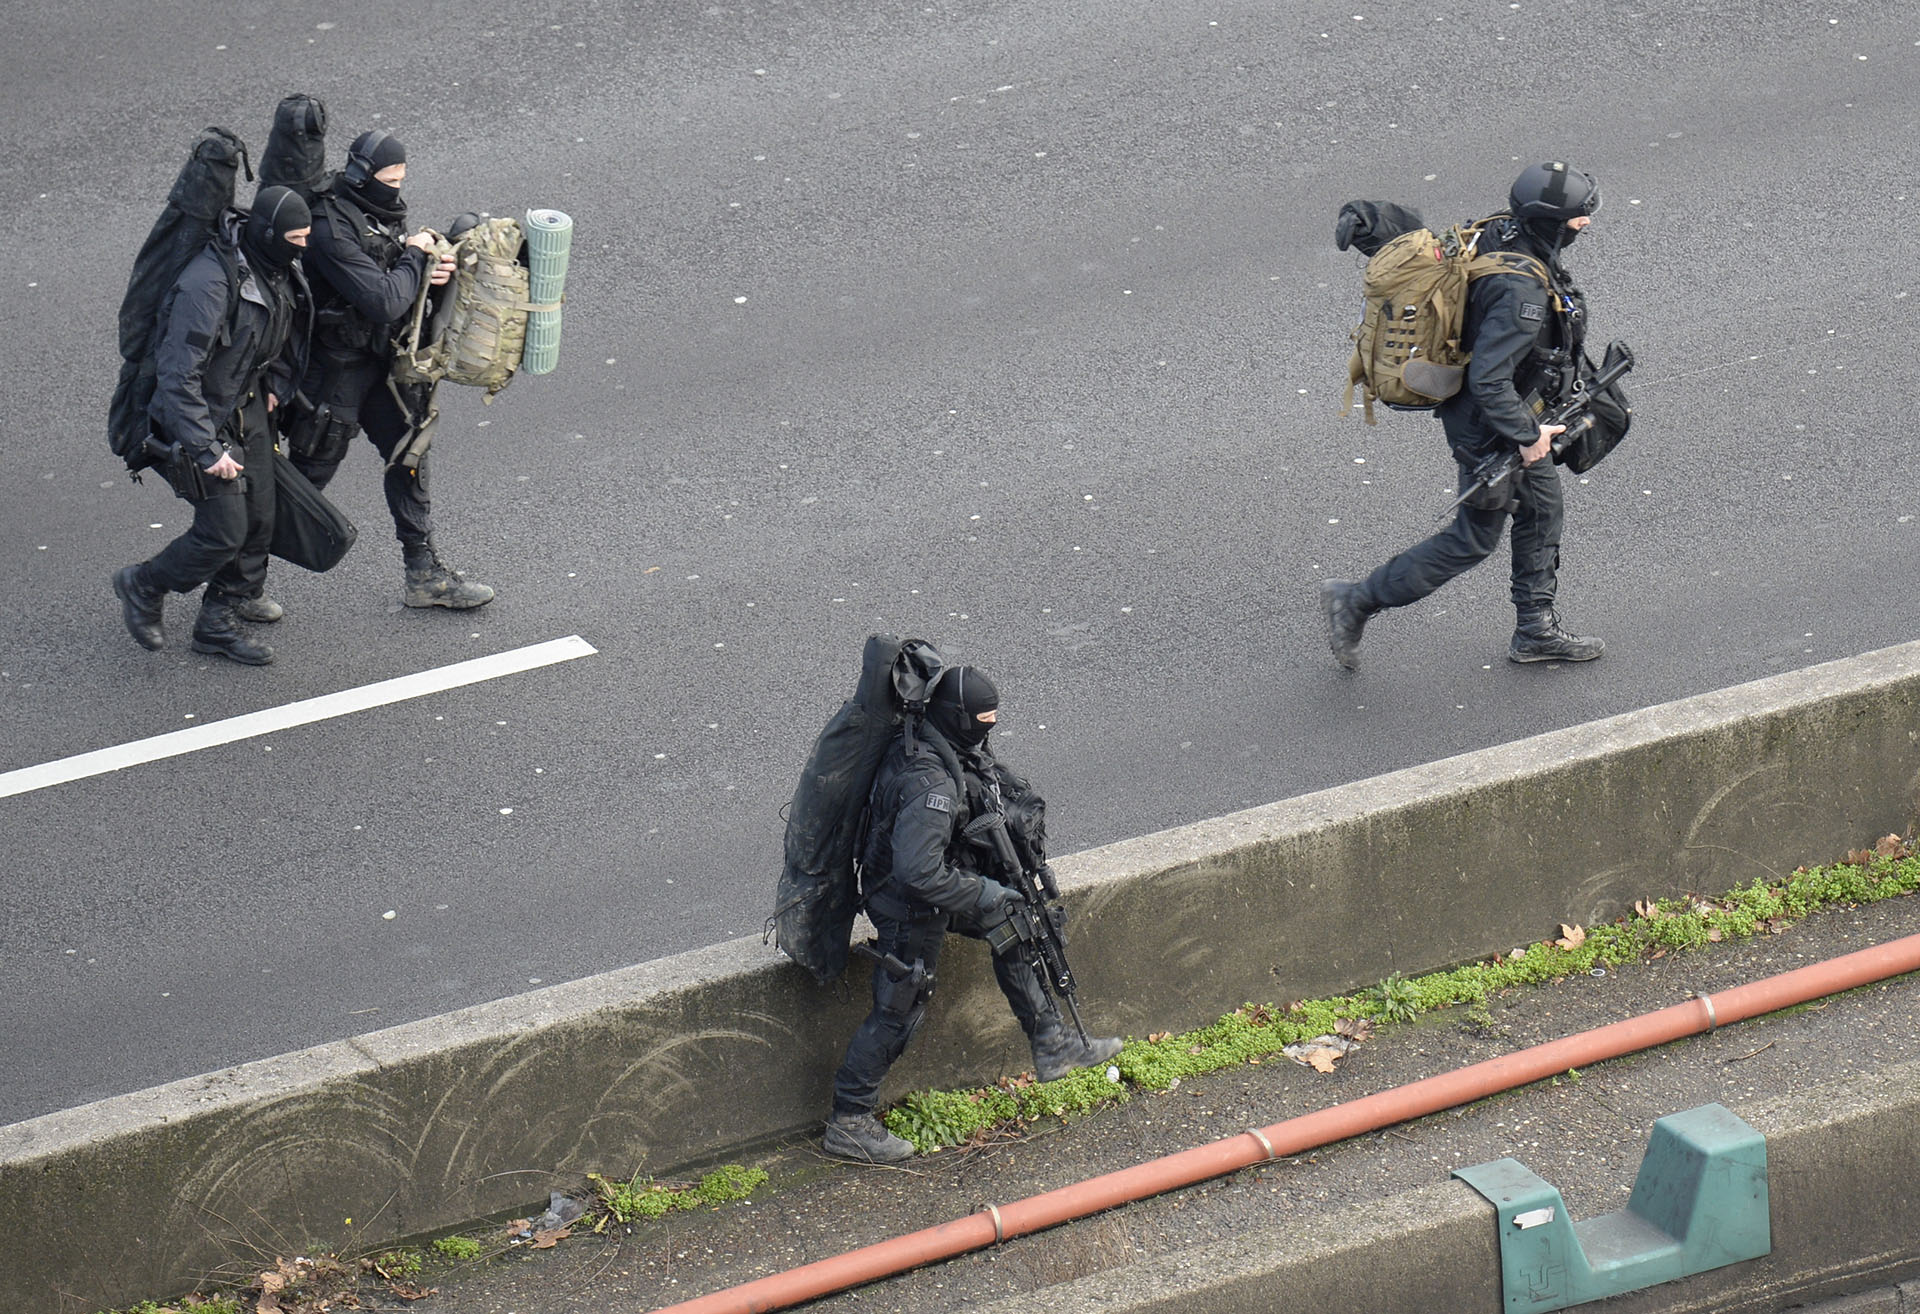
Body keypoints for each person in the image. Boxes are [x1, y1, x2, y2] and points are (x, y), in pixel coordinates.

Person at [823, 665, 1123, 1163]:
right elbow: (918, 873)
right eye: (980, 722)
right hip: (904, 901)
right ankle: (849, 1119)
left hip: (929, 884)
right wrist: (984, 893)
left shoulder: (938, 741)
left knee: (1016, 923)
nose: (986, 733)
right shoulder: (929, 784)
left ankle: (1050, 1041)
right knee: (901, 1006)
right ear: (957, 718)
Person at [1321, 162, 1608, 669]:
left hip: (1493, 413)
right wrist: (1526, 435)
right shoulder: (1521, 297)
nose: (1583, 226)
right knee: (1474, 537)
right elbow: (1489, 380)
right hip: (1490, 423)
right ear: (1549, 222)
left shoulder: (1500, 229)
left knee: (1541, 509)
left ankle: (1535, 629)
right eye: (1575, 219)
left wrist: (1369, 219)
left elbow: (1430, 246)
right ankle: (1356, 600)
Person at [287, 128, 493, 609]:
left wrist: (427, 268)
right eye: (388, 177)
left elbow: (391, 274)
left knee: (409, 449)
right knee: (303, 483)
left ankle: (425, 574)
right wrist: (418, 257)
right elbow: (382, 299)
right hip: (333, 369)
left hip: (378, 362)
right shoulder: (331, 227)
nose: (396, 187)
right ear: (361, 175)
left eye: (401, 178)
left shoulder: (375, 214)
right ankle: (231, 589)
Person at [113, 186, 311, 665]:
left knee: (261, 519)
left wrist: (277, 384)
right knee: (223, 531)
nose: (303, 246)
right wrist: (206, 450)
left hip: (244, 405)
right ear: (268, 234)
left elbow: (283, 328)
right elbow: (178, 377)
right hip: (197, 419)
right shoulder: (206, 285)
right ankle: (142, 584)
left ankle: (216, 623)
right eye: (296, 237)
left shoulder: (273, 265)